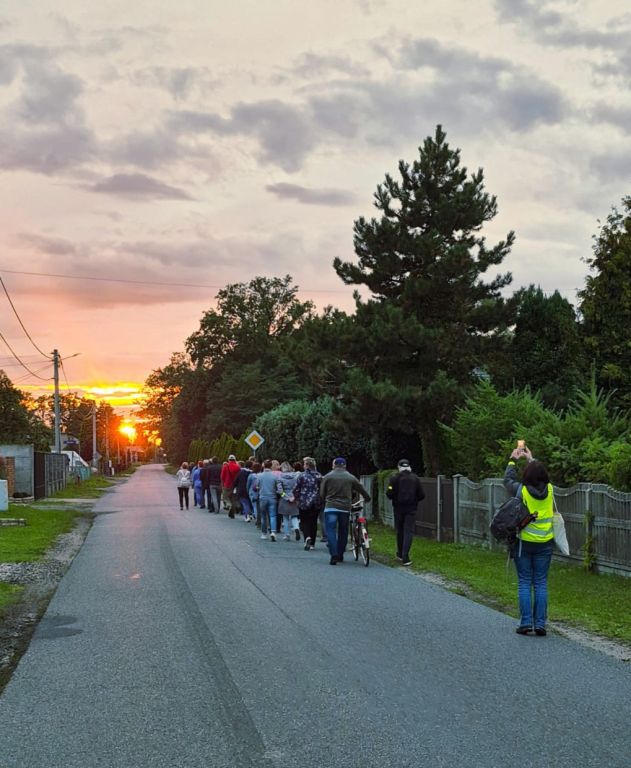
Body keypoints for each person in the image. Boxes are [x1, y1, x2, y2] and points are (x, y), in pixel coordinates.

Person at [504, 444, 555, 637]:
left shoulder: (522, 491)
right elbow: (538, 475)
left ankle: (525, 623)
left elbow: (508, 480)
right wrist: (532, 459)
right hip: (545, 542)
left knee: (525, 582)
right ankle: (540, 624)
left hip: (524, 542)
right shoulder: (550, 490)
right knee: (540, 582)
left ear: (526, 475)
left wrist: (513, 460)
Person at [320, 457, 371, 565]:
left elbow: (322, 493)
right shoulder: (350, 477)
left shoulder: (327, 477)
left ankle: (333, 554)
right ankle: (340, 555)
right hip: (344, 508)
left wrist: (326, 499)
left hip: (331, 507)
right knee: (343, 531)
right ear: (345, 465)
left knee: (331, 531)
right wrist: (367, 498)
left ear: (334, 465)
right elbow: (361, 488)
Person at [386, 459, 425, 566]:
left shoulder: (394, 478)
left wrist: (395, 497)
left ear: (399, 467)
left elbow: (389, 493)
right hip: (411, 508)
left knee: (400, 530)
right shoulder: (415, 478)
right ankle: (406, 557)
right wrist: (414, 500)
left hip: (398, 508)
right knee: (408, 531)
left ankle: (399, 553)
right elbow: (421, 494)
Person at [293, 457, 322, 551]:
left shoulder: (302, 476)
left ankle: (307, 537)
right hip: (316, 502)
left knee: (304, 521)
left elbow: (296, 489)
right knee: (313, 522)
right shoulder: (319, 476)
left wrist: (296, 498)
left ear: (307, 466)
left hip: (304, 501)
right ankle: (313, 543)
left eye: (304, 464)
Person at [276, 461, 301, 541]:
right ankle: (296, 528)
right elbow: (298, 488)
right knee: (294, 516)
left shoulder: (280, 478)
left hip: (284, 499)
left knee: (285, 518)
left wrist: (286, 497)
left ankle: (287, 535)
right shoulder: (296, 477)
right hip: (294, 498)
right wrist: (293, 497)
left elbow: (280, 491)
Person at [256, 459, 279, 541]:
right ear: (271, 466)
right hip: (272, 497)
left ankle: (264, 533)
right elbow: (279, 489)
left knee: (263, 516)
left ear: (263, 466)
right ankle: (273, 532)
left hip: (263, 497)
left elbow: (256, 486)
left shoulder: (259, 476)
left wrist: (260, 489)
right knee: (273, 515)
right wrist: (283, 495)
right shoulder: (275, 476)